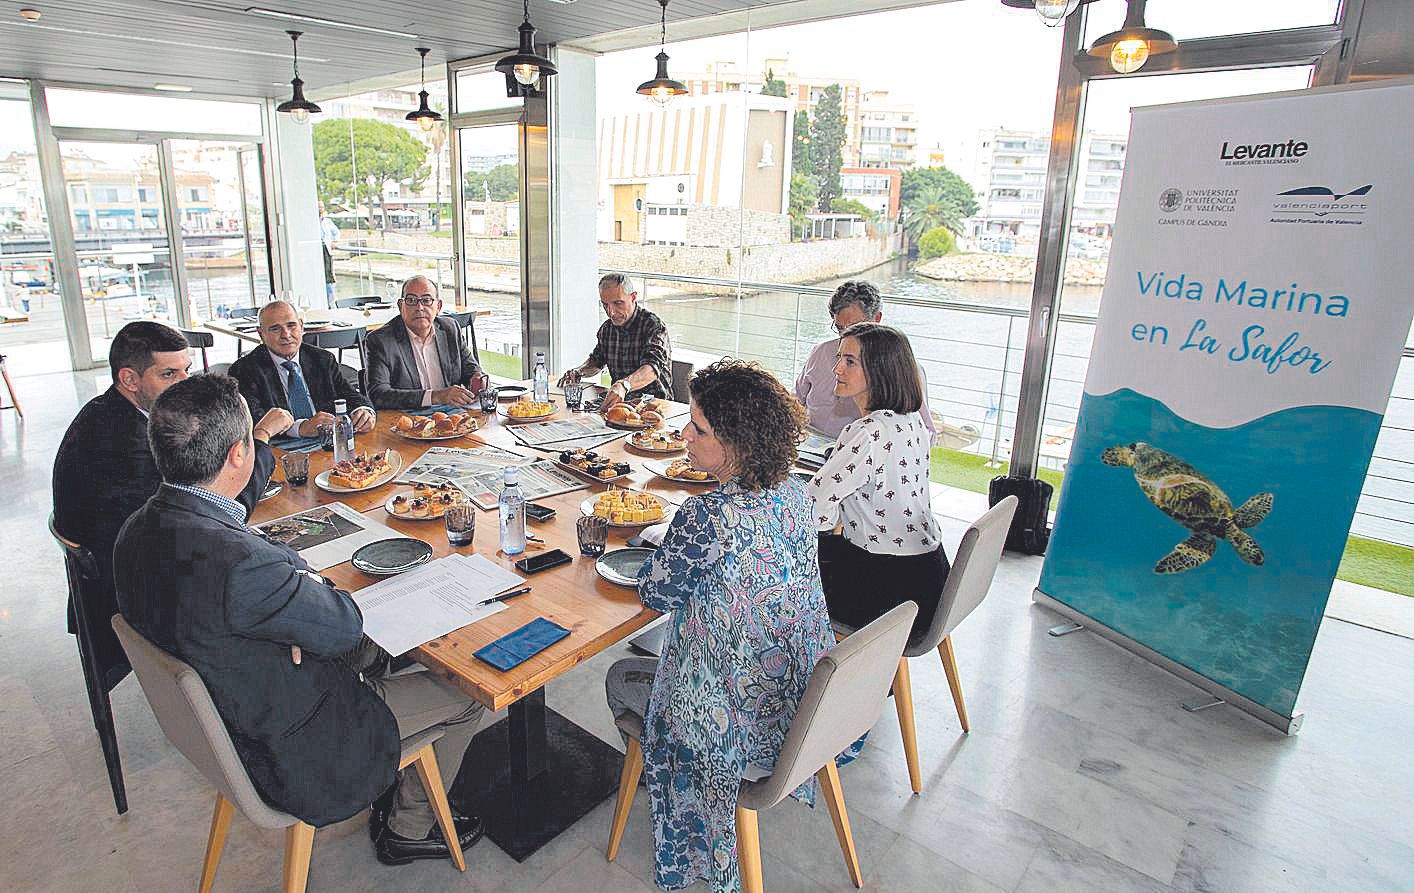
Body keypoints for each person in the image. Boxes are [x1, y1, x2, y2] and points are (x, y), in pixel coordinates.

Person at [111, 375, 486, 864]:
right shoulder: (242, 566)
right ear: (238, 455)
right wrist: (304, 583)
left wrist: (293, 602)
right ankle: (409, 828)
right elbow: (345, 624)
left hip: (233, 707)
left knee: (380, 643)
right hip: (295, 742)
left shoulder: (135, 530)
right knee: (469, 693)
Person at [603, 359, 833, 893]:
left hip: (729, 730)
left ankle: (671, 783)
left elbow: (656, 592)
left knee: (620, 677)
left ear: (737, 444)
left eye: (699, 428)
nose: (685, 432)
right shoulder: (797, 495)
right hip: (797, 708)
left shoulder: (707, 515)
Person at [52, 322, 282, 688]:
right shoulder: (128, 444)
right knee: (275, 581)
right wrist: (259, 439)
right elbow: (218, 510)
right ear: (129, 379)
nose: (184, 383)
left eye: (187, 370)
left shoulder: (107, 413)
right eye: (168, 374)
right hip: (137, 596)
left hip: (125, 565)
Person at [809, 322, 949, 641]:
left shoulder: (869, 432)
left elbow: (814, 510)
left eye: (849, 361)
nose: (836, 369)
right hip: (929, 580)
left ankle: (798, 677)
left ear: (880, 370)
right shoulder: (912, 422)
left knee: (775, 567)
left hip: (886, 595)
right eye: (839, 358)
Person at [795, 280, 937, 443]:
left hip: (861, 450)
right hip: (809, 441)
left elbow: (927, 433)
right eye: (840, 328)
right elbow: (795, 399)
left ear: (876, 318)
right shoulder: (820, 352)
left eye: (855, 327)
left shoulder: (903, 369)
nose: (845, 336)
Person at [227, 299, 374, 437]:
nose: (286, 335)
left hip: (327, 442)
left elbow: (350, 395)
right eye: (275, 329)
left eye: (291, 326)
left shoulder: (322, 359)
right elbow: (253, 419)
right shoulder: (244, 370)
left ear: (301, 326)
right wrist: (301, 428)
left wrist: (363, 411)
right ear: (261, 334)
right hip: (279, 448)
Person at [557, 273, 673, 410]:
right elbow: (596, 362)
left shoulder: (654, 326)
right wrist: (579, 371)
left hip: (654, 406)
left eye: (618, 303)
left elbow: (652, 369)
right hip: (618, 406)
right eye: (605, 305)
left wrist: (624, 385)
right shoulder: (607, 329)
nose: (611, 312)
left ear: (633, 297)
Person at [365, 275, 482, 410]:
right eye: (411, 300)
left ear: (438, 306)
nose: (419, 307)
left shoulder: (450, 329)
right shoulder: (381, 340)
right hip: (407, 420)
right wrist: (435, 396)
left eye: (426, 300)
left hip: (453, 418)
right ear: (400, 306)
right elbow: (379, 395)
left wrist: (478, 379)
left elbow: (471, 370)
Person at [319, 202, 339, 302]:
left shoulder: (327, 221)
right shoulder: (312, 223)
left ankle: (331, 303)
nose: (320, 209)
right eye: (318, 207)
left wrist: (334, 241)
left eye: (321, 206)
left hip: (326, 252)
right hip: (316, 254)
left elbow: (336, 232)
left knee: (328, 278)